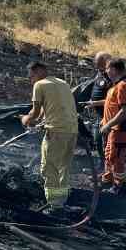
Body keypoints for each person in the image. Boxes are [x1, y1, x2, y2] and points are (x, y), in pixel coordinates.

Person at [20, 58, 77, 211]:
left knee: (48, 167)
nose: (31, 80)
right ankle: (61, 201)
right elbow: (52, 107)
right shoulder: (62, 83)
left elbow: (35, 112)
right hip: (72, 131)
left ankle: (54, 205)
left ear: (38, 71)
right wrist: (40, 121)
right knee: (63, 167)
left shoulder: (40, 85)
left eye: (31, 76)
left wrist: (26, 119)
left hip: (56, 132)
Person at [99, 57, 126, 192]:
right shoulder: (117, 84)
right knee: (109, 154)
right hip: (114, 128)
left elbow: (125, 111)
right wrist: (95, 104)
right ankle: (107, 179)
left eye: (107, 68)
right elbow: (112, 102)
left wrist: (108, 125)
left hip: (120, 128)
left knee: (116, 157)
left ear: (114, 69)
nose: (106, 71)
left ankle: (119, 185)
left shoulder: (123, 86)